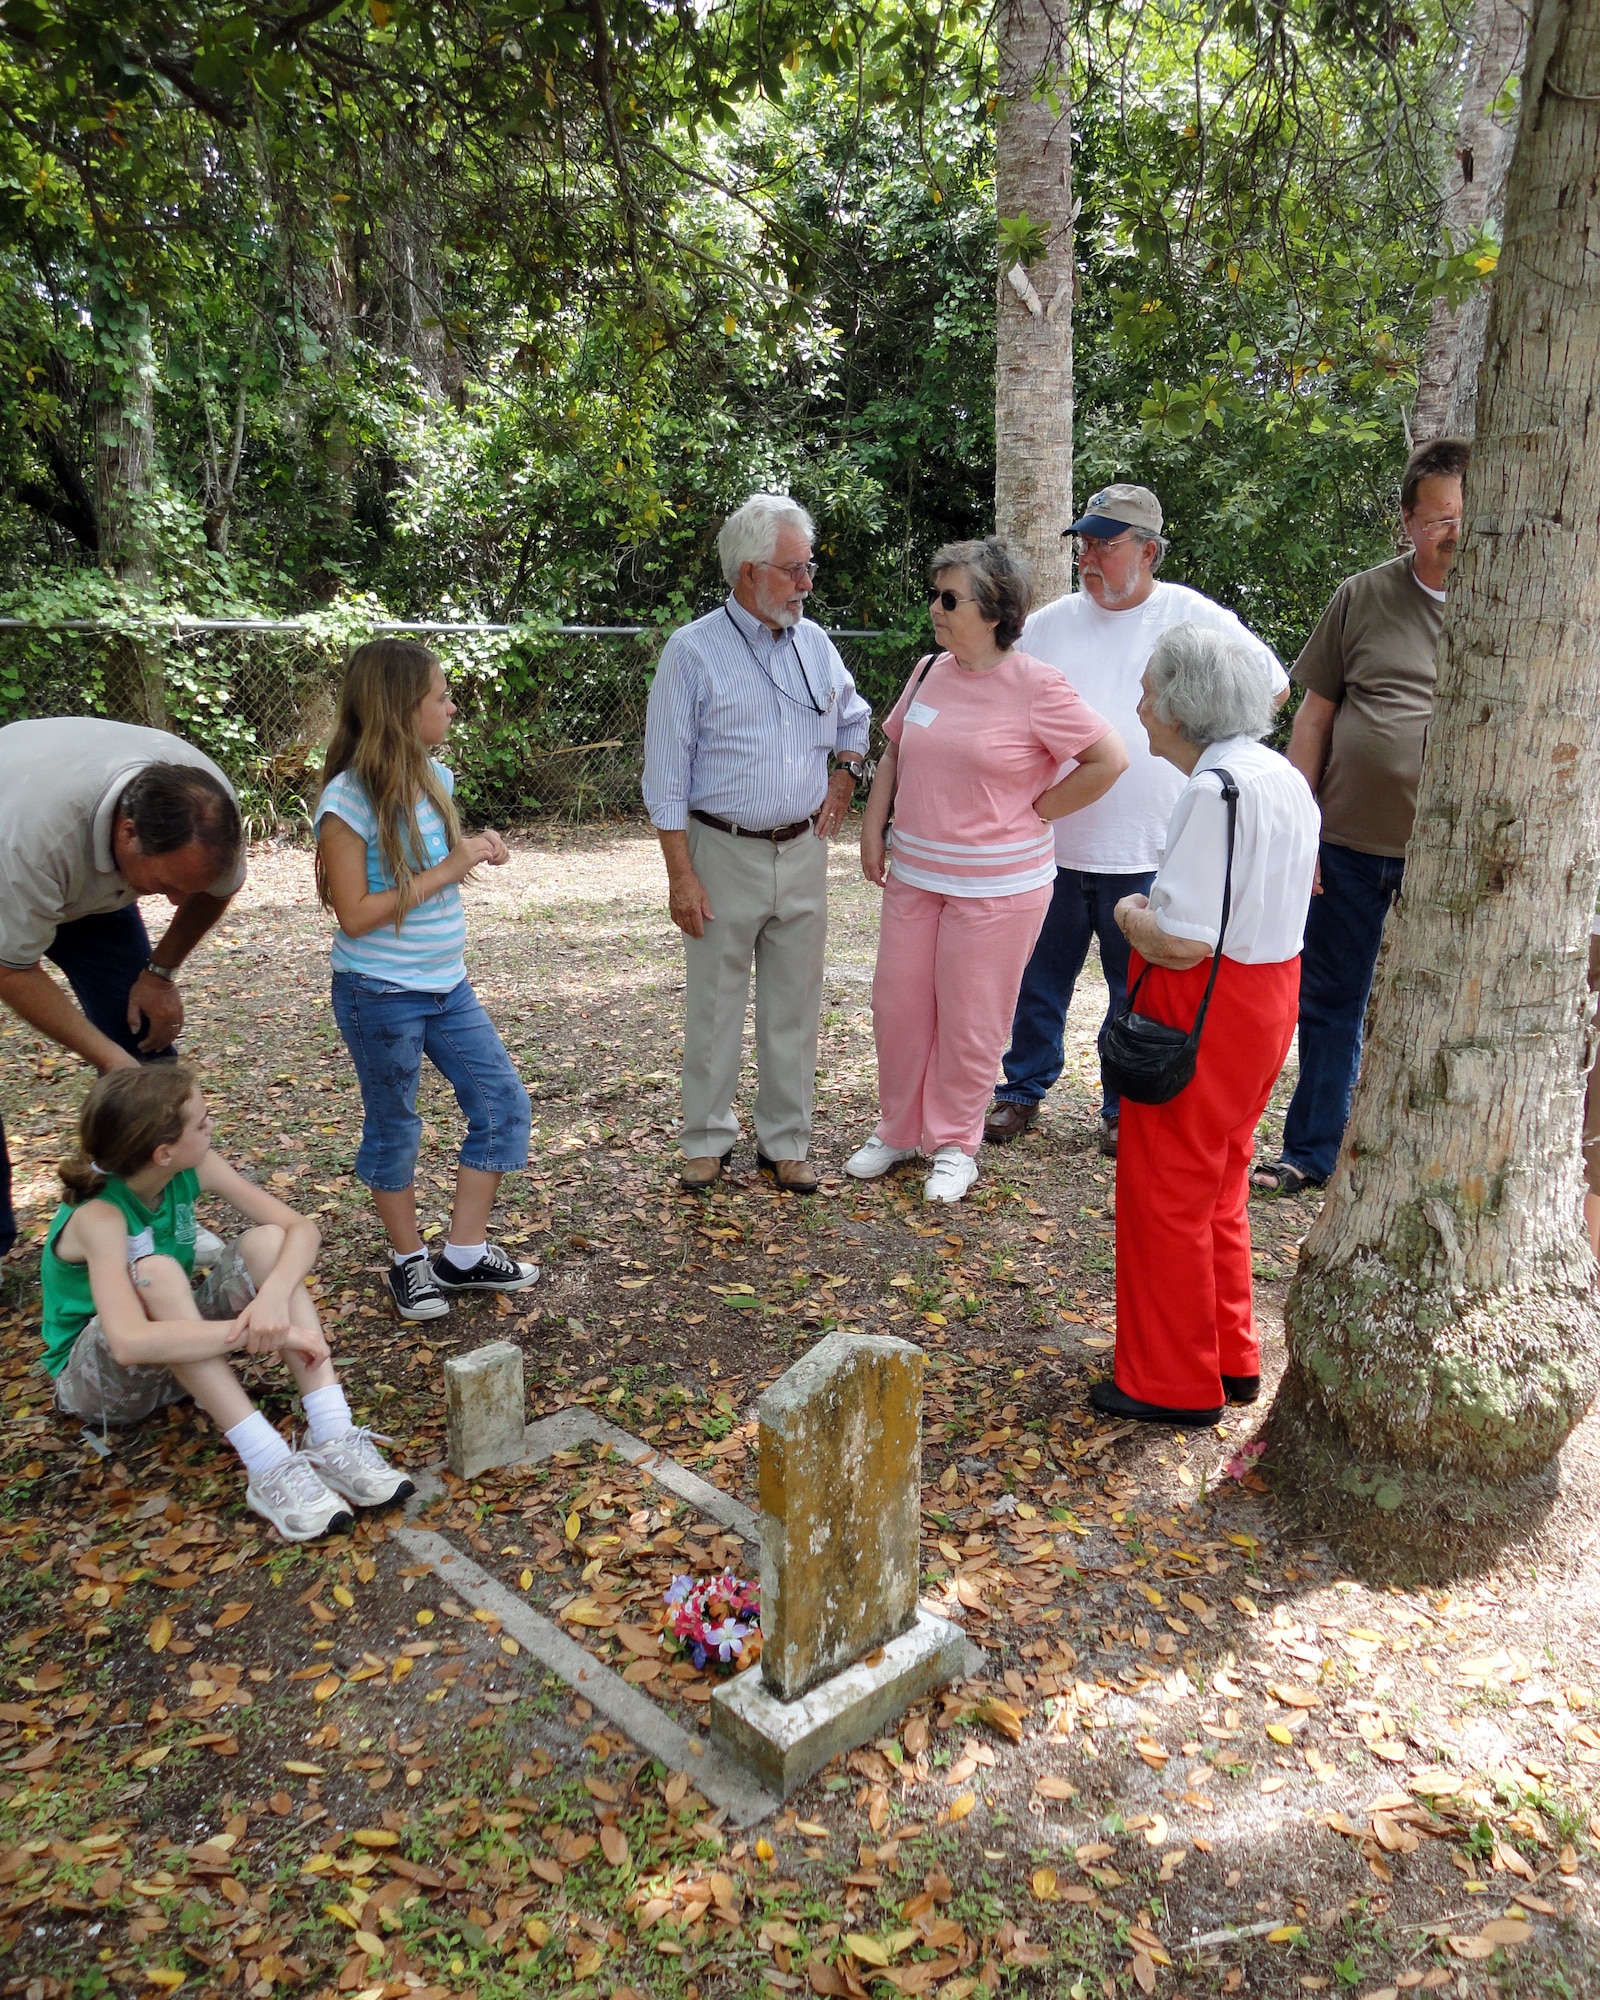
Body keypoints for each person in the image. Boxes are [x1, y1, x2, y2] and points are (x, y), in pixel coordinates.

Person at [982, 484, 1288, 1160]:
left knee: (1139, 990)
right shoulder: (1051, 623)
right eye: (1083, 543)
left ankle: (1124, 1107)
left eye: (1105, 544)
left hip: (1153, 843)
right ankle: (1022, 1089)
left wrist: (1211, 749)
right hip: (1054, 841)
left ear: (1149, 550)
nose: (1089, 557)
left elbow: (1271, 684)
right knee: (1037, 980)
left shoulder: (1195, 617)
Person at [847, 539, 1127, 1203]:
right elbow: (895, 753)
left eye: (951, 599)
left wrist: (1038, 809)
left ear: (995, 611)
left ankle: (955, 1142)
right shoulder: (927, 671)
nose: (937, 610)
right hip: (916, 876)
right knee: (899, 1008)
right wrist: (872, 826)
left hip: (998, 890)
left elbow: (1107, 760)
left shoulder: (1037, 685)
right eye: (935, 595)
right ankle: (899, 1128)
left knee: (971, 1020)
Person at [1089, 624, 1319, 1426]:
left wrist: (1128, 911)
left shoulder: (1213, 791)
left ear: (1185, 706)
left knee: (1166, 1192)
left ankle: (1168, 1381)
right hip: (1266, 994)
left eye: (1150, 691)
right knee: (1220, 1182)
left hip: (1207, 1005)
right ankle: (1228, 1354)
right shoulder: (1281, 775)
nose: (1142, 707)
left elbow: (1181, 939)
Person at [42, 1064, 412, 1540]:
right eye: (201, 1121)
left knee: (268, 1243)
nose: (211, 1123)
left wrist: (272, 1302)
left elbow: (301, 1230)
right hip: (103, 1384)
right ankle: (268, 1463)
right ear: (163, 1152)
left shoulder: (193, 1165)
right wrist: (262, 1334)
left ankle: (333, 1432)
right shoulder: (99, 1215)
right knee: (156, 1272)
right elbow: (130, 1341)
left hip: (181, 1357)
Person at [1252, 436, 1470, 1194]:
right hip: (1345, 844)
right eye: (1437, 515)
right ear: (1408, 521)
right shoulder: (1364, 595)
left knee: (1440, 1018)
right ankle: (1312, 1153)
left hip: (1451, 861)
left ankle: (1422, 1164)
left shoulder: (1507, 603)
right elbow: (1313, 718)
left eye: (1464, 514)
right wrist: (1300, 828)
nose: (1452, 529)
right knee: (1330, 1005)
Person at [642, 493, 871, 1194]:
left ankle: (786, 1142)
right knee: (714, 1003)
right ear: (748, 573)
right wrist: (682, 876)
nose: (807, 582)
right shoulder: (692, 651)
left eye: (808, 568)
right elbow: (665, 776)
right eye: (793, 569)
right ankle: (706, 1139)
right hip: (723, 850)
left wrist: (844, 778)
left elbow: (853, 721)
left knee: (794, 1005)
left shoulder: (815, 642)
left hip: (802, 851)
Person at [315, 640, 537, 1323]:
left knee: (502, 1105)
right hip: (377, 990)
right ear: (401, 710)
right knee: (395, 1126)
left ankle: (463, 1255)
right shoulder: (347, 799)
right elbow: (355, 915)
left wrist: (476, 850)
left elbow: (432, 872)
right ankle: (409, 1263)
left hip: (447, 984)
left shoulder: (436, 777)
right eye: (440, 696)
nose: (451, 705)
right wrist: (446, 869)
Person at [0, 720, 245, 1259]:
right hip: (19, 869)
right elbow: (10, 968)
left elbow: (212, 891)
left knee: (146, 1055)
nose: (179, 903)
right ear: (129, 832)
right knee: (124, 1060)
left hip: (92, 888)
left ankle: (159, 1220)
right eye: (167, 887)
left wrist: (159, 972)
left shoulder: (209, 807)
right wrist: (109, 1058)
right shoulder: (30, 841)